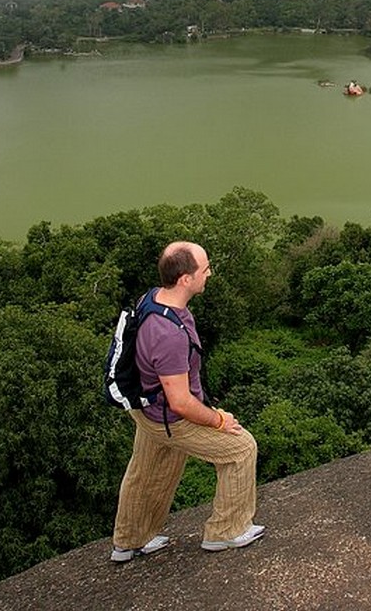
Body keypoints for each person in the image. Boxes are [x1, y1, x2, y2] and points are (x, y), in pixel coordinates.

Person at [111, 240, 263, 561]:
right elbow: (180, 402)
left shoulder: (153, 298)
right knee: (241, 449)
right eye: (205, 269)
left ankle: (129, 541)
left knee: (147, 472)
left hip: (147, 409)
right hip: (169, 417)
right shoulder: (167, 335)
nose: (209, 274)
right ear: (185, 279)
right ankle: (227, 532)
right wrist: (219, 419)